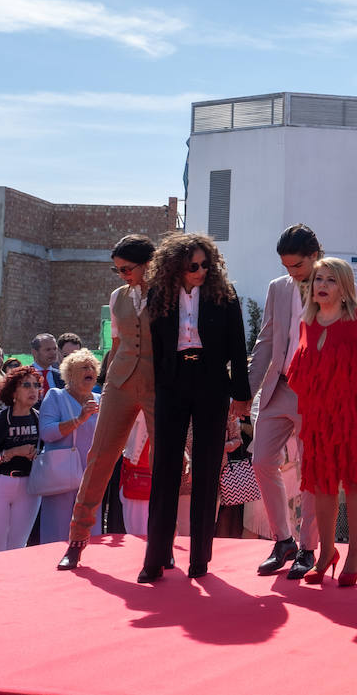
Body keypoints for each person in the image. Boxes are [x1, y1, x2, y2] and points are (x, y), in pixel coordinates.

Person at [137, 233, 251, 584]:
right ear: (176, 266)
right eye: (193, 266)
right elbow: (153, 346)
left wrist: (241, 395)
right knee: (166, 470)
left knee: (206, 471)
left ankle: (200, 559)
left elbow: (238, 346)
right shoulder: (158, 294)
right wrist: (156, 386)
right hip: (172, 383)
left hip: (211, 382)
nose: (200, 271)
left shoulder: (224, 295)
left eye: (205, 265)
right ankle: (154, 559)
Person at [58, 235, 160, 571]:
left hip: (158, 385)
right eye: (117, 270)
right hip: (119, 382)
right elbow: (116, 347)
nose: (121, 275)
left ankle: (160, 545)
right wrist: (102, 386)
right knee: (100, 456)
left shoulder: (170, 295)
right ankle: (76, 539)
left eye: (126, 269)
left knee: (166, 463)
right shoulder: (118, 297)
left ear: (148, 263)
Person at [286, 257, 357, 586]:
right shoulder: (307, 323)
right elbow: (303, 377)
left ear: (344, 288)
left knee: (356, 482)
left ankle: (355, 551)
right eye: (318, 280)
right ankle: (327, 551)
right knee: (321, 485)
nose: (322, 286)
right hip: (318, 418)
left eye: (330, 280)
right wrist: (304, 417)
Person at [247, 224, 323, 579]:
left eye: (297, 265)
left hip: (317, 390)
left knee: (312, 471)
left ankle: (309, 547)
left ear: (315, 256)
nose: (291, 272)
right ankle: (284, 540)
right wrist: (245, 392)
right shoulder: (277, 288)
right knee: (261, 460)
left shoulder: (332, 281)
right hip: (278, 386)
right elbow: (265, 342)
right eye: (286, 266)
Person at [37, 349, 102, 544]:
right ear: (69, 374)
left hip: (91, 476)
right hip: (61, 475)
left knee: (92, 532)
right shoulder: (55, 396)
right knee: (56, 534)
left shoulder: (100, 400)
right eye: (83, 367)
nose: (89, 370)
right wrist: (79, 419)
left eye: (92, 367)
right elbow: (47, 433)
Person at [0, 366, 43, 552]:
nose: (33, 390)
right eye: (26, 385)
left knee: (18, 548)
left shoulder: (40, 419)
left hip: (29, 488)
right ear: (13, 391)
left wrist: (40, 456)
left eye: (36, 385)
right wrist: (13, 452)